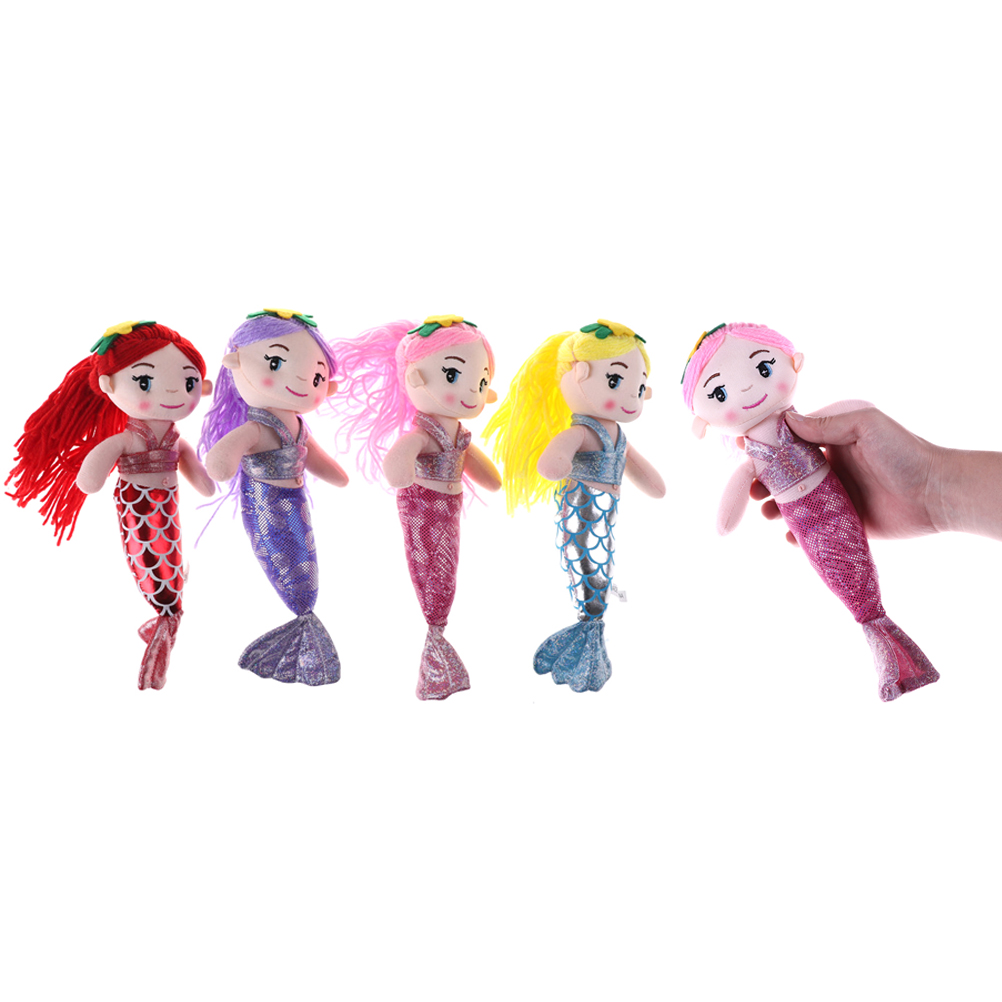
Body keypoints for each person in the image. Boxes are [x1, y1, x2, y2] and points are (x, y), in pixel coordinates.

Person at [485, 320, 665, 693]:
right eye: (614, 380)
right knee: (586, 563)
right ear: (577, 374)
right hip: (581, 508)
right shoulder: (581, 432)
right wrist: (559, 463)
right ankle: (588, 630)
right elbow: (550, 464)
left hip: (606, 514)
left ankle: (589, 630)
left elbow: (649, 480)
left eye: (638, 386)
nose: (632, 396)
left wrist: (653, 484)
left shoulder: (619, 436)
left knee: (602, 565)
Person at [750, 407, 1002, 543]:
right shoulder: (755, 454)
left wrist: (930, 484)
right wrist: (931, 486)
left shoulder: (798, 425)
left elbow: (855, 412)